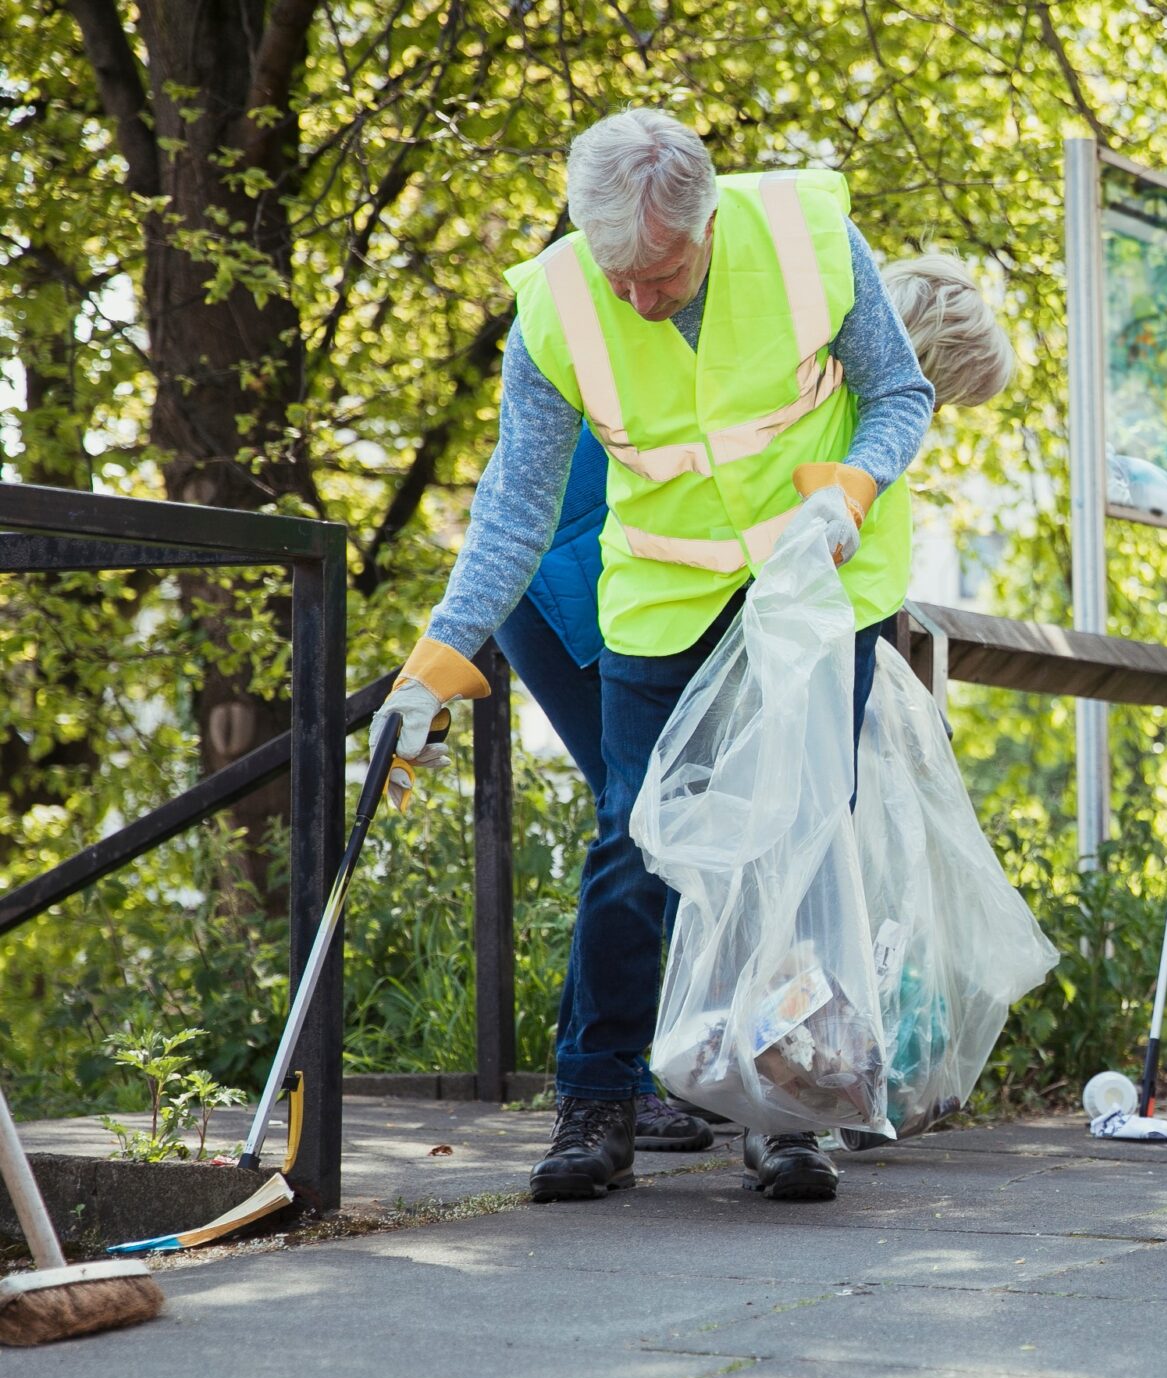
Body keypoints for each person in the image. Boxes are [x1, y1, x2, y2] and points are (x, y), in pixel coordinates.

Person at [368, 109, 936, 1206]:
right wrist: (438, 655)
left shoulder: (811, 234)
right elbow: (517, 503)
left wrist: (852, 492)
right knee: (634, 832)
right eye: (616, 272)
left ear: (706, 222)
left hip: (818, 580)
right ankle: (596, 1096)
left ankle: (784, 1113)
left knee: (801, 841)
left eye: (660, 271)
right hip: (663, 594)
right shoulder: (555, 302)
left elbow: (899, 395)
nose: (636, 296)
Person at [490, 254, 1018, 1156]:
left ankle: (745, 1072)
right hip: (578, 600)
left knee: (710, 837)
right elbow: (581, 533)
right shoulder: (786, 387)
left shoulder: (817, 384)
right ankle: (627, 1080)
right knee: (650, 829)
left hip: (626, 598)